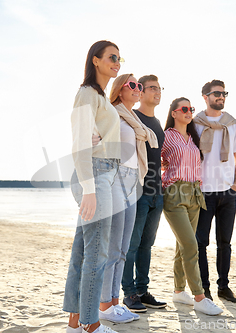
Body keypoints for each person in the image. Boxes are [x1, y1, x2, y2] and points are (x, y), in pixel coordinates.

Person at [63, 40, 124, 333]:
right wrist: (89, 188)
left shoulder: (98, 96)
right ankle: (91, 323)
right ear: (95, 60)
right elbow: (79, 143)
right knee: (97, 253)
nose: (117, 62)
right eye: (112, 57)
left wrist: (97, 136)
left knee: (82, 252)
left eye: (119, 58)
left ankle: (75, 321)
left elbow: (90, 135)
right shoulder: (87, 93)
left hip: (103, 173)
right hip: (96, 176)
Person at [98, 74, 158, 323]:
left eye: (139, 86)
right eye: (132, 85)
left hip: (135, 180)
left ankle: (115, 303)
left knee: (123, 248)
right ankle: (104, 305)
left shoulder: (134, 119)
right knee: (113, 247)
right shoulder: (112, 113)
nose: (137, 89)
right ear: (119, 89)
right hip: (115, 178)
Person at [161, 97, 223, 316]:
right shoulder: (166, 136)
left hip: (195, 194)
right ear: (174, 113)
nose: (189, 112)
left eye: (191, 109)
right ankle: (199, 296)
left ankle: (179, 291)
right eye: (184, 109)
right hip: (174, 193)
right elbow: (154, 160)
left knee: (182, 246)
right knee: (191, 245)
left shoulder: (192, 137)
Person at [193, 79, 236, 303]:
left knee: (225, 243)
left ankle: (223, 286)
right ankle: (204, 289)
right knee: (200, 243)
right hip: (203, 191)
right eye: (216, 93)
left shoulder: (233, 124)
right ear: (205, 96)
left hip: (227, 192)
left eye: (224, 93)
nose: (221, 97)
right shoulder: (195, 124)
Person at [121, 75, 167, 312]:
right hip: (138, 190)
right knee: (132, 244)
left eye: (160, 88)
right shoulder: (132, 117)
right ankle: (128, 293)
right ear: (141, 90)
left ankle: (142, 290)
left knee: (146, 245)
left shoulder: (157, 122)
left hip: (156, 192)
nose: (157, 92)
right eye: (152, 88)